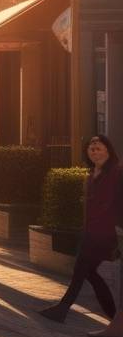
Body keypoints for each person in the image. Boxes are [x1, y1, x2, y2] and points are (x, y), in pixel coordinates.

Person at [39, 135, 122, 325]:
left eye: (99, 148)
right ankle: (113, 316)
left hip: (107, 233)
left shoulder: (117, 173)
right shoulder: (91, 176)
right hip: (91, 232)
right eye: (91, 149)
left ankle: (62, 309)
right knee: (89, 273)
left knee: (81, 271)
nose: (95, 152)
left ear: (108, 151)